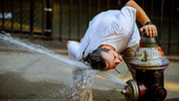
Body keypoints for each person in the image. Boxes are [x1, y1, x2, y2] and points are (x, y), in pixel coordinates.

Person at [66, 0, 157, 101]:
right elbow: (69, 43)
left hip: (127, 38)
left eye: (114, 57)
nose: (119, 61)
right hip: (98, 24)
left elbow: (131, 4)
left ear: (104, 48)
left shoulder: (122, 28)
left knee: (142, 75)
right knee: (81, 72)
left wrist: (148, 23)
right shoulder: (84, 52)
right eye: (113, 65)